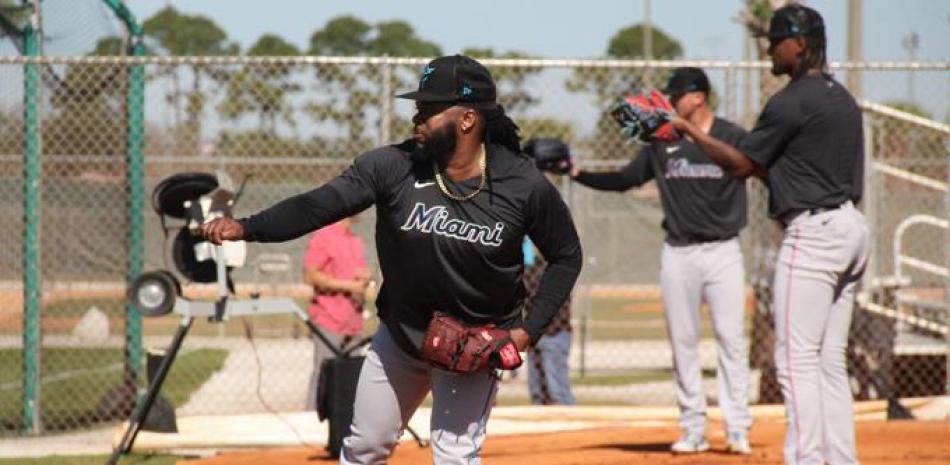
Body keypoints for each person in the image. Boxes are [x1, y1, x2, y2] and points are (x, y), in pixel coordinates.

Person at [200, 54, 583, 465]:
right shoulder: (393, 166)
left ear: (468, 119)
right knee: (365, 446)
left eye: (429, 111)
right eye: (417, 109)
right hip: (402, 335)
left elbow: (566, 256)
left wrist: (525, 333)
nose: (417, 120)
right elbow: (320, 205)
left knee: (456, 456)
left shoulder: (522, 185)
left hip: (474, 343)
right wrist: (247, 227)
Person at [670, 6, 869, 465]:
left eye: (777, 38)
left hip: (814, 232)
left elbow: (742, 165)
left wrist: (685, 131)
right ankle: (841, 459)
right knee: (829, 360)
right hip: (850, 226)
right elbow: (768, 168)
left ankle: (804, 458)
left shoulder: (791, 99)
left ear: (799, 44)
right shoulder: (840, 97)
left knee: (795, 359)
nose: (769, 47)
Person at [569, 67, 753, 454]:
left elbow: (752, 165)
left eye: (677, 95)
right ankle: (693, 429)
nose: (669, 103)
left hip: (723, 251)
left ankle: (737, 429)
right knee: (682, 343)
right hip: (679, 251)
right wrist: (575, 172)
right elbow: (624, 180)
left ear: (698, 97)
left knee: (731, 342)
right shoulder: (660, 143)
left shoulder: (732, 136)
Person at [302, 216, 372, 412]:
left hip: (353, 320)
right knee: (324, 374)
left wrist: (365, 276)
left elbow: (353, 274)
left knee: (352, 376)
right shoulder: (324, 236)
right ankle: (312, 420)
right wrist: (348, 285)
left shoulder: (355, 241)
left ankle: (345, 422)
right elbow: (310, 275)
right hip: (328, 317)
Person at [523, 239, 575, 405]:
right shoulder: (532, 267)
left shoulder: (559, 266)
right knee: (537, 394)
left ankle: (569, 425)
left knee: (557, 393)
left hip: (554, 332)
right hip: (534, 334)